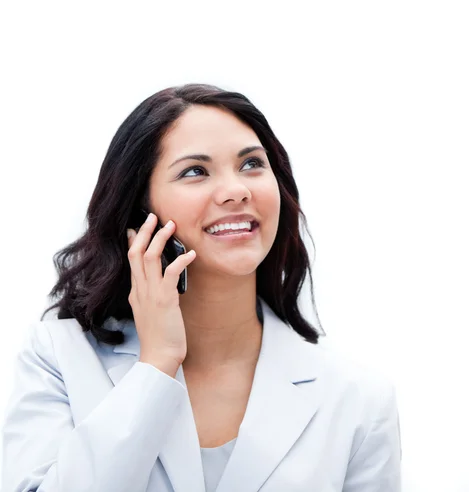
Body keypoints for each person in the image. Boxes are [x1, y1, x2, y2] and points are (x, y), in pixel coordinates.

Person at [1, 84, 402, 491]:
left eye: (251, 164)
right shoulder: (58, 358)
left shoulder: (359, 402)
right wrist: (157, 365)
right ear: (140, 211)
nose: (237, 190)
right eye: (195, 171)